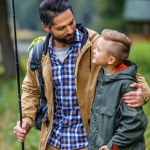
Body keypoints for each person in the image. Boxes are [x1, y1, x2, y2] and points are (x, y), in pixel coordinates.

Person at [13, 0, 150, 150]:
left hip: (88, 142)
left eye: (71, 22)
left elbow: (128, 73)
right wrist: (25, 120)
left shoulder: (96, 44)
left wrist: (142, 92)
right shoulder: (38, 53)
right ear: (46, 28)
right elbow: (31, 89)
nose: (70, 30)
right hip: (52, 141)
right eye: (62, 28)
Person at [88, 29, 148, 150]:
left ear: (111, 60)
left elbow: (134, 122)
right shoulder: (102, 76)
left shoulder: (127, 86)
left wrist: (113, 145)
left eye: (98, 49)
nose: (93, 50)